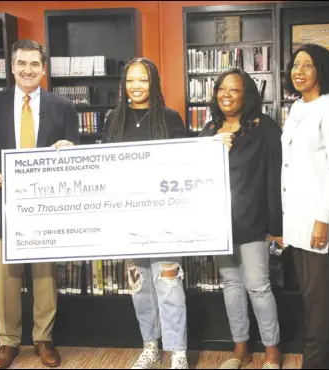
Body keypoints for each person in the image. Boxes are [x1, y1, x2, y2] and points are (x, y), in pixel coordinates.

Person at [0, 39, 80, 369]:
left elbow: (77, 150)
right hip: (3, 206)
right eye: (22, 64)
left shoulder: (63, 106)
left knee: (45, 278)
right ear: (12, 67)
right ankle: (8, 342)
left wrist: (68, 148)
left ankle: (43, 339)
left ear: (43, 69)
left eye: (35, 64)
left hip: (45, 210)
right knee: (7, 279)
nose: (28, 70)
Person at [102, 57, 188, 369]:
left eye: (143, 80)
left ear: (153, 83)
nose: (136, 86)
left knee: (168, 283)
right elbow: (102, 165)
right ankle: (151, 347)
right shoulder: (113, 119)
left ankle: (177, 351)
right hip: (129, 220)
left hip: (164, 218)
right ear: (123, 85)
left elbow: (185, 163)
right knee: (140, 287)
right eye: (130, 80)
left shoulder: (169, 118)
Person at [198, 68, 283, 370]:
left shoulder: (265, 128)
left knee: (258, 286)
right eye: (222, 89)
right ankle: (240, 348)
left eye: (234, 90)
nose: (226, 95)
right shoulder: (209, 130)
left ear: (246, 94)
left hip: (254, 221)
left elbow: (275, 178)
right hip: (220, 225)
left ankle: (272, 351)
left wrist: (277, 226)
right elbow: (196, 175)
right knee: (231, 285)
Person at [281, 43, 329, 369]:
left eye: (307, 65)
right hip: (295, 219)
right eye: (296, 65)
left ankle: (315, 364)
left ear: (321, 70)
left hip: (317, 219)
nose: (299, 71)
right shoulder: (296, 108)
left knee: (319, 301)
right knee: (313, 299)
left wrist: (323, 220)